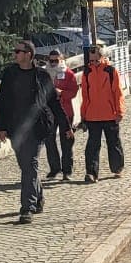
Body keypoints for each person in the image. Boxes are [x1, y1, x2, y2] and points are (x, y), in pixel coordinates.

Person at [0, 40, 58, 222]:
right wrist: (1, 127)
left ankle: (27, 208)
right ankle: (38, 197)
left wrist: (66, 126)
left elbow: (53, 101)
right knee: (26, 166)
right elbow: (4, 101)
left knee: (30, 165)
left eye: (18, 51)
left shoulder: (42, 76)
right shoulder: (9, 74)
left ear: (29, 54)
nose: (15, 54)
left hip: (36, 128)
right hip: (16, 129)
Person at [79, 43, 127, 181]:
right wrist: (83, 115)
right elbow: (85, 95)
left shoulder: (111, 71)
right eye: (91, 60)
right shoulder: (87, 72)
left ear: (102, 57)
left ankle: (117, 168)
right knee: (92, 146)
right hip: (92, 116)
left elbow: (118, 92)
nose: (92, 63)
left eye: (95, 60)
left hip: (110, 114)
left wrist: (119, 112)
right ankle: (91, 173)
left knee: (114, 143)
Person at [44, 49, 78, 180]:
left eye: (55, 61)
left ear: (61, 60)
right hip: (49, 113)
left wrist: (61, 93)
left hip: (65, 110)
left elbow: (74, 92)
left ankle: (67, 170)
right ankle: (54, 168)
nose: (52, 63)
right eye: (50, 61)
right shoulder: (45, 74)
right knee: (49, 141)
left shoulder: (68, 74)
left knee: (67, 141)